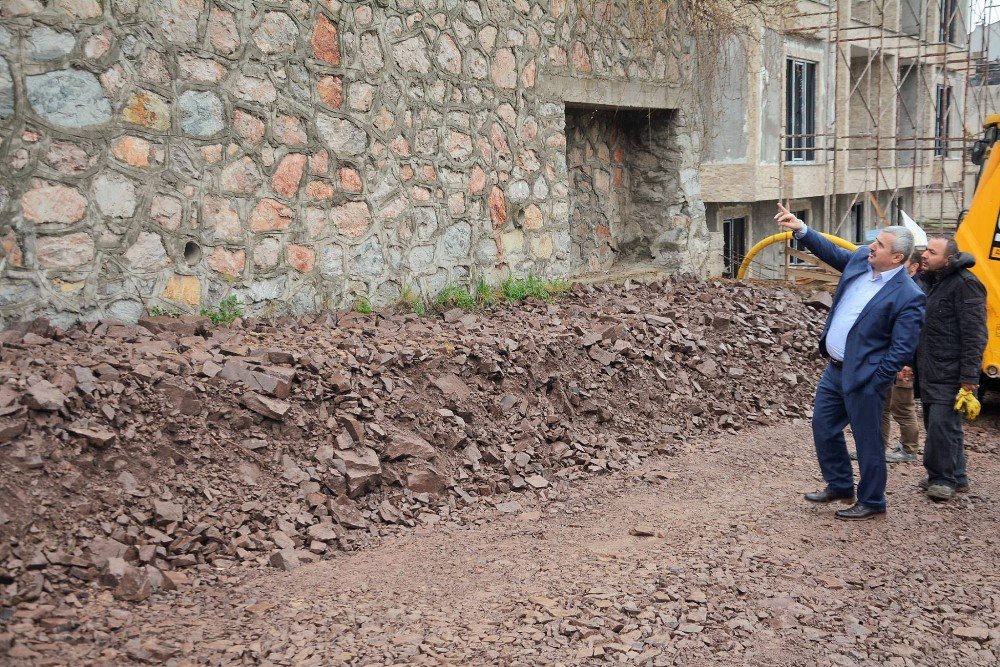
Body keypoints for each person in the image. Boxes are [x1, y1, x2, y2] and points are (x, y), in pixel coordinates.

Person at [774, 203, 925, 520]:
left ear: (897, 258)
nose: (871, 246)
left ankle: (872, 500)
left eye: (880, 245)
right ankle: (841, 484)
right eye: (875, 241)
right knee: (823, 426)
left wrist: (876, 379)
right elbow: (831, 252)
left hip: (865, 378)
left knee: (868, 441)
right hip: (835, 370)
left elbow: (903, 347)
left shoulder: (908, 295)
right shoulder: (860, 260)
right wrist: (801, 229)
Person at [914, 235, 988, 501]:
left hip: (951, 371)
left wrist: (969, 377)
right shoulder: (931, 282)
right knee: (943, 425)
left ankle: (942, 479)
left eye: (932, 252)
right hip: (930, 368)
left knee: (940, 427)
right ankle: (958, 476)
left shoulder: (966, 286)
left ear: (949, 259)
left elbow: (975, 335)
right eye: (926, 249)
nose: (925, 255)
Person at [882, 250, 924, 463]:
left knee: (902, 406)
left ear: (914, 266)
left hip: (904, 364)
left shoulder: (915, 291)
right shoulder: (900, 287)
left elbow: (912, 334)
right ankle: (877, 447)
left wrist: (906, 363)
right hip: (891, 359)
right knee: (883, 406)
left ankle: (909, 449)